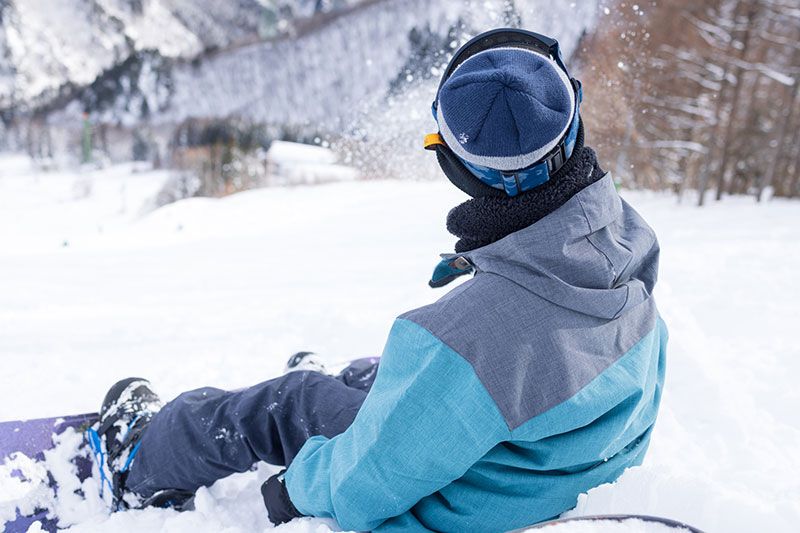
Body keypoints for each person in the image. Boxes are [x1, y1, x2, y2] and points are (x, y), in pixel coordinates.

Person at [91, 28, 667, 532]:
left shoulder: (466, 335)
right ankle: (344, 388)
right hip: (544, 463)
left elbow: (363, 484)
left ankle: (137, 460)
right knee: (382, 373)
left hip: (465, 504)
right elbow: (505, 370)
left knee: (291, 402)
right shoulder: (622, 242)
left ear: (459, 167)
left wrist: (290, 490)